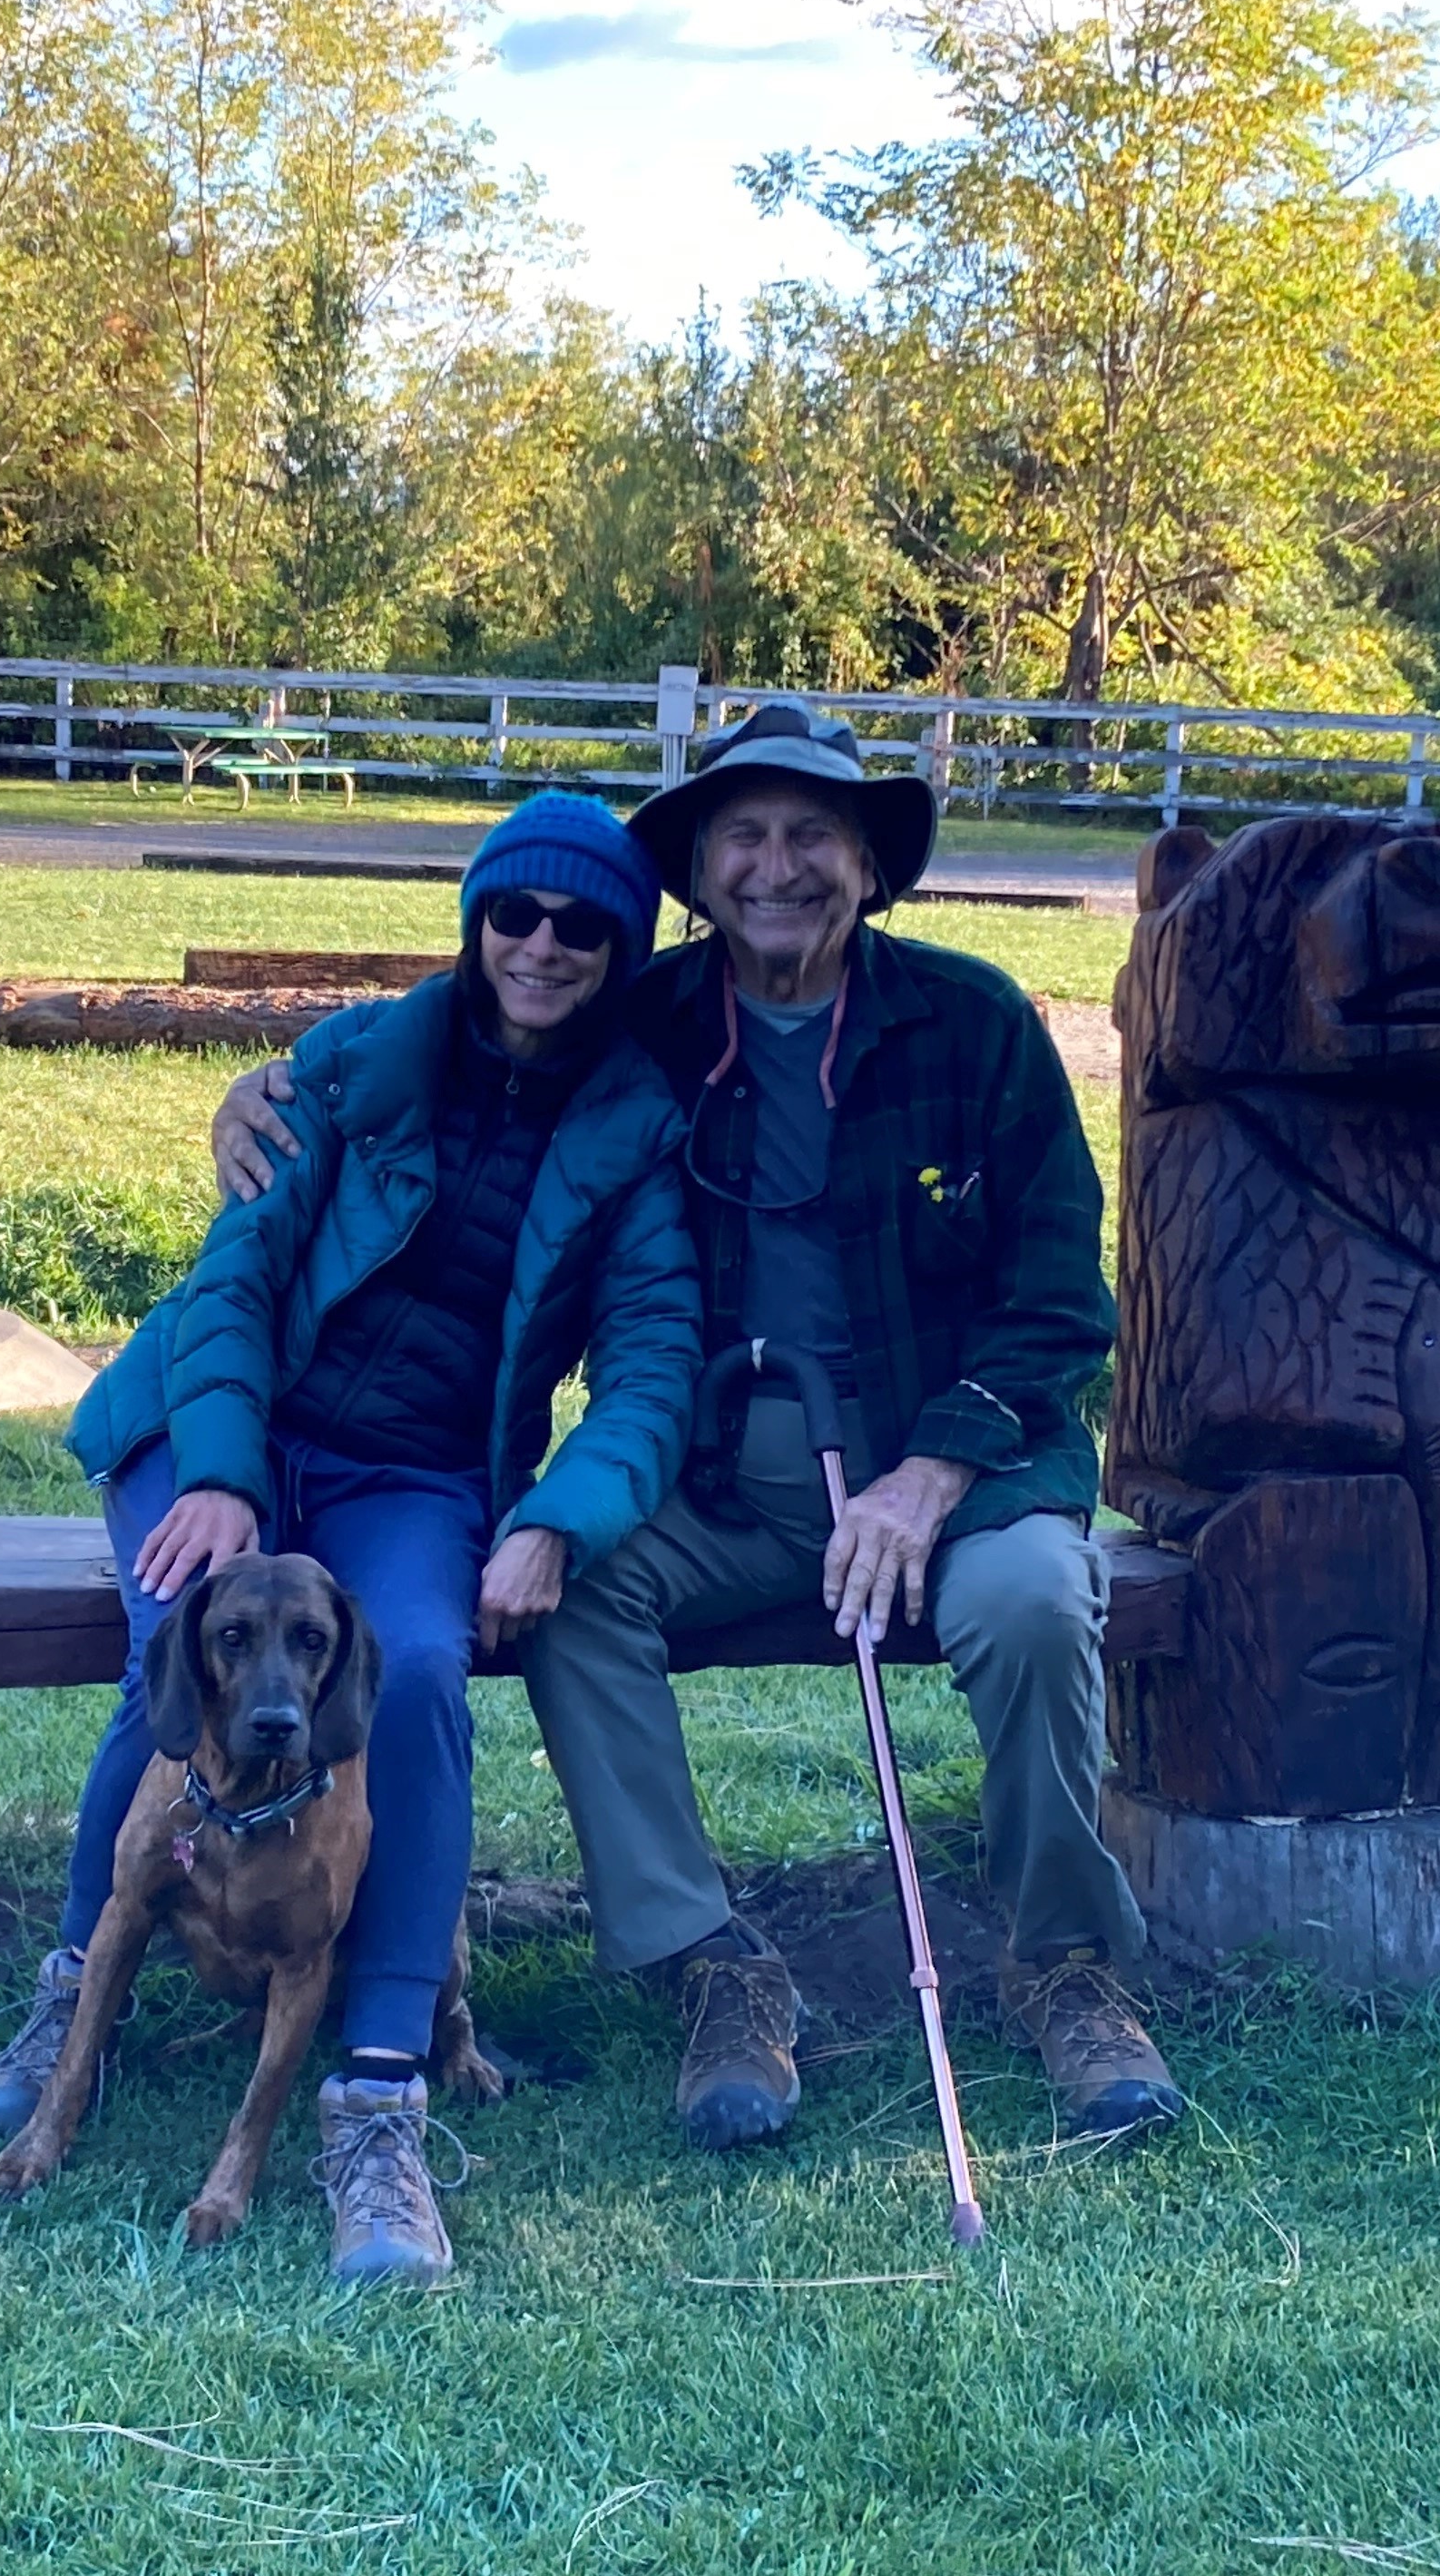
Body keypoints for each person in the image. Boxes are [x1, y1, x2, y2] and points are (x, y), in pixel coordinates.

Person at [214, 701, 1182, 2150]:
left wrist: (928, 1479)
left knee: (1040, 1603)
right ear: (702, 871)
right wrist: (275, 1085)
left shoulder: (977, 1026)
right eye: (745, 836)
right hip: (725, 1473)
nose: (777, 867)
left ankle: (1065, 1964)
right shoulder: (646, 1023)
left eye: (813, 836)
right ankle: (712, 1964)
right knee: (569, 1598)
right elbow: (472, 1021)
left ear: (869, 865)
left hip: (956, 1476)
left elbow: (1058, 1297)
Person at [0, 790, 698, 2288]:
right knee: (186, 1653)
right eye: (515, 913)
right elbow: (236, 1279)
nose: (543, 946)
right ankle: (72, 1994)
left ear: (622, 953)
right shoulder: (358, 1062)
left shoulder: (635, 1131)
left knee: (414, 1673)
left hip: (414, 1472)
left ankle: (376, 2093)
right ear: (476, 924)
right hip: (218, 1418)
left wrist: (557, 1518)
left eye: (582, 927)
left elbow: (653, 1365)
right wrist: (222, 1476)